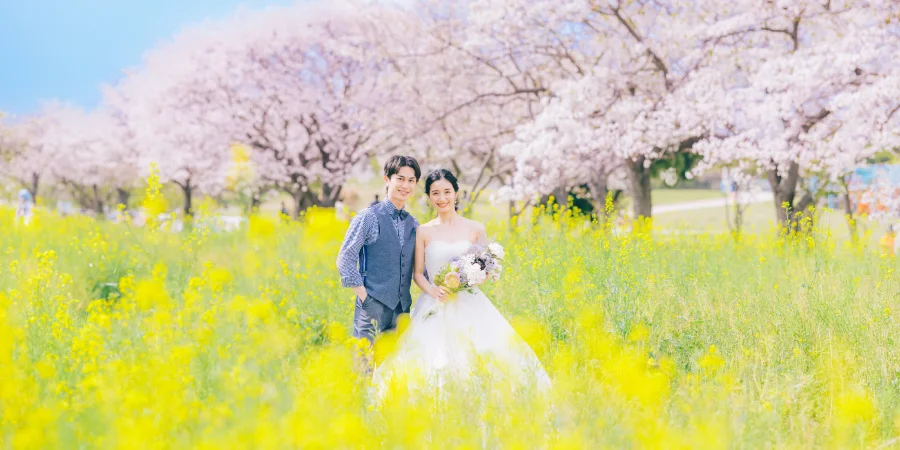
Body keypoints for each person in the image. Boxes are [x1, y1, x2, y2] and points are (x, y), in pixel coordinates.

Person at [372, 169, 550, 396]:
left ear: (456, 193)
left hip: (470, 302)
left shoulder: (475, 229)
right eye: (435, 193)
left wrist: (474, 277)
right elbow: (417, 274)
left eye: (447, 192)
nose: (442, 198)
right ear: (429, 197)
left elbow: (487, 267)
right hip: (435, 302)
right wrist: (433, 291)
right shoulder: (423, 231)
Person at [336, 155, 423, 367]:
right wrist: (365, 299)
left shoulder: (414, 224)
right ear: (387, 179)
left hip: (401, 312)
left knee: (394, 373)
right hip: (371, 308)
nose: (405, 185)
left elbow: (419, 267)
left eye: (411, 180)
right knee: (364, 370)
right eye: (400, 179)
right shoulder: (368, 217)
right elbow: (345, 258)